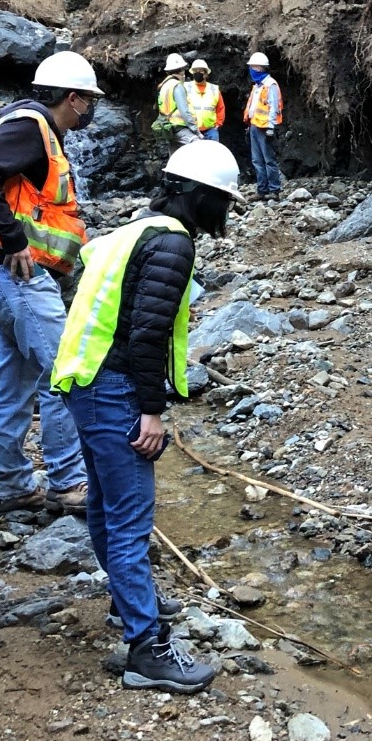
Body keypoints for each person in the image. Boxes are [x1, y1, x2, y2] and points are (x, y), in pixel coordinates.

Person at [51, 140, 245, 694]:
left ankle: (126, 604)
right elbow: (146, 333)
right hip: (115, 389)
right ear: (201, 196)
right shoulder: (172, 244)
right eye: (223, 201)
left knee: (105, 507)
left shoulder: (128, 233)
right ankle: (147, 648)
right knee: (132, 517)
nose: (225, 213)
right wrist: (151, 411)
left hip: (82, 381)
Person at [0, 50, 101, 513]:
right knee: (64, 374)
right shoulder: (31, 128)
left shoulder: (35, 131)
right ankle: (67, 482)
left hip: (8, 278)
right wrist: (13, 238)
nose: (92, 109)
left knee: (13, 382)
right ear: (75, 98)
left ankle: (12, 485)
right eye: (90, 100)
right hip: (18, 274)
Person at [243, 51, 283, 200]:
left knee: (268, 160)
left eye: (254, 67)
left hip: (265, 128)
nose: (252, 70)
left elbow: (274, 107)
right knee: (257, 160)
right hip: (254, 125)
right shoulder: (257, 86)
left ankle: (274, 191)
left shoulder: (270, 84)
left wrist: (271, 128)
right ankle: (262, 191)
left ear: (260, 68)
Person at [154, 53, 199, 150]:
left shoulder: (163, 86)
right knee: (198, 146)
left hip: (168, 128)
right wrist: (195, 130)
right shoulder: (177, 86)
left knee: (174, 159)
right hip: (179, 127)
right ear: (182, 70)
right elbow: (184, 111)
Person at [186, 59, 225, 141]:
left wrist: (218, 123)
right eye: (195, 71)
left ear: (206, 74)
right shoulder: (186, 87)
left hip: (210, 130)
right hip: (192, 131)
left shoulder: (214, 89)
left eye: (200, 71)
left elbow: (220, 108)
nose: (197, 73)